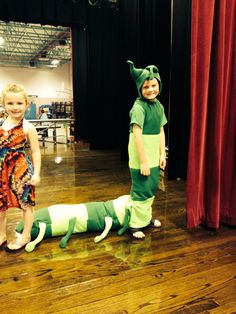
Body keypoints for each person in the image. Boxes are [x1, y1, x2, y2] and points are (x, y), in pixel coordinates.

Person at [127, 60, 167, 239]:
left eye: (154, 85)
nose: (151, 90)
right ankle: (135, 224)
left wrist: (162, 153)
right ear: (139, 89)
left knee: (151, 187)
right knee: (141, 189)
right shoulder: (138, 107)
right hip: (141, 156)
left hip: (153, 155)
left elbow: (161, 130)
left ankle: (146, 218)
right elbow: (137, 135)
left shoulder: (159, 106)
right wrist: (143, 160)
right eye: (146, 87)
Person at [0, 83, 41, 251]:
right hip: (2, 170)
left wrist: (36, 174)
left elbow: (36, 152)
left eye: (19, 103)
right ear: (3, 104)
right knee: (1, 204)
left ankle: (26, 235)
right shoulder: (1, 125)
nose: (15, 107)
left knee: (26, 203)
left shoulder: (28, 127)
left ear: (26, 104)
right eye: (10, 103)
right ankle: (1, 234)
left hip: (20, 171)